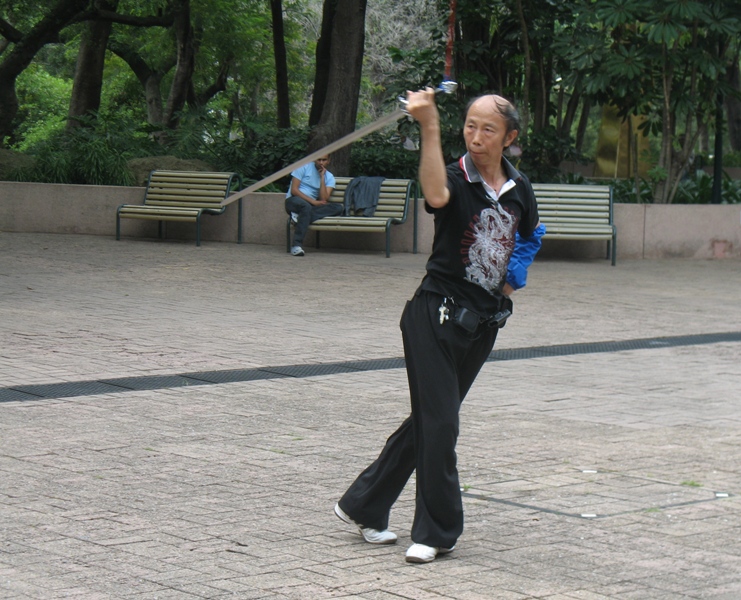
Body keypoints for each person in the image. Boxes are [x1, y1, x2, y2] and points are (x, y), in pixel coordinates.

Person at [334, 89, 546, 563]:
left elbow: (532, 232)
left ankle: (363, 505)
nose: (476, 136)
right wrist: (428, 126)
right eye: (469, 125)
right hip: (434, 314)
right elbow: (434, 195)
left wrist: (513, 279)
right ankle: (438, 531)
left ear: (509, 137)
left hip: (482, 323)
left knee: (430, 420)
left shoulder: (518, 187)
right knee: (442, 423)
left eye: (487, 129)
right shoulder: (454, 176)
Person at [285, 154, 343, 256]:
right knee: (306, 207)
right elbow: (294, 190)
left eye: (324, 160)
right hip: (294, 201)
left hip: (309, 207)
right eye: (319, 159)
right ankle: (296, 246)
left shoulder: (329, 177)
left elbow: (323, 198)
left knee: (338, 208)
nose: (321, 162)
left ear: (328, 161)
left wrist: (322, 178)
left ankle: (300, 217)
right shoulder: (303, 167)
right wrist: (312, 202)